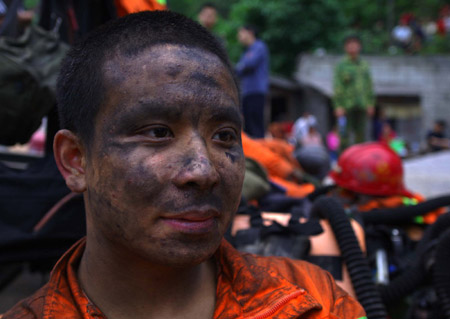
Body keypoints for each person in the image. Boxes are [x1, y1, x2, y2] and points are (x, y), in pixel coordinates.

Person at [3, 11, 366, 319]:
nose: (204, 171)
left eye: (224, 135)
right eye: (158, 132)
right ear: (75, 160)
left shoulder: (316, 302)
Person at [333, 35, 375, 150]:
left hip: (362, 105)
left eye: (355, 44)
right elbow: (337, 86)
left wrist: (370, 103)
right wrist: (338, 106)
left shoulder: (364, 65)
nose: (352, 47)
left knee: (361, 136)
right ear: (345, 47)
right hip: (346, 106)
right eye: (349, 45)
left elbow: (369, 86)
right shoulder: (341, 65)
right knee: (344, 135)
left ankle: (359, 164)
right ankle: (342, 163)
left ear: (359, 47)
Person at [236, 24, 269, 139]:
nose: (239, 37)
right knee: (248, 125)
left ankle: (260, 154)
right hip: (247, 92)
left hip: (256, 91)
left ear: (249, 32)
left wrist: (240, 67)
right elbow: (239, 70)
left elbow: (248, 65)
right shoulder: (246, 52)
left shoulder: (259, 47)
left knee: (256, 124)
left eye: (240, 33)